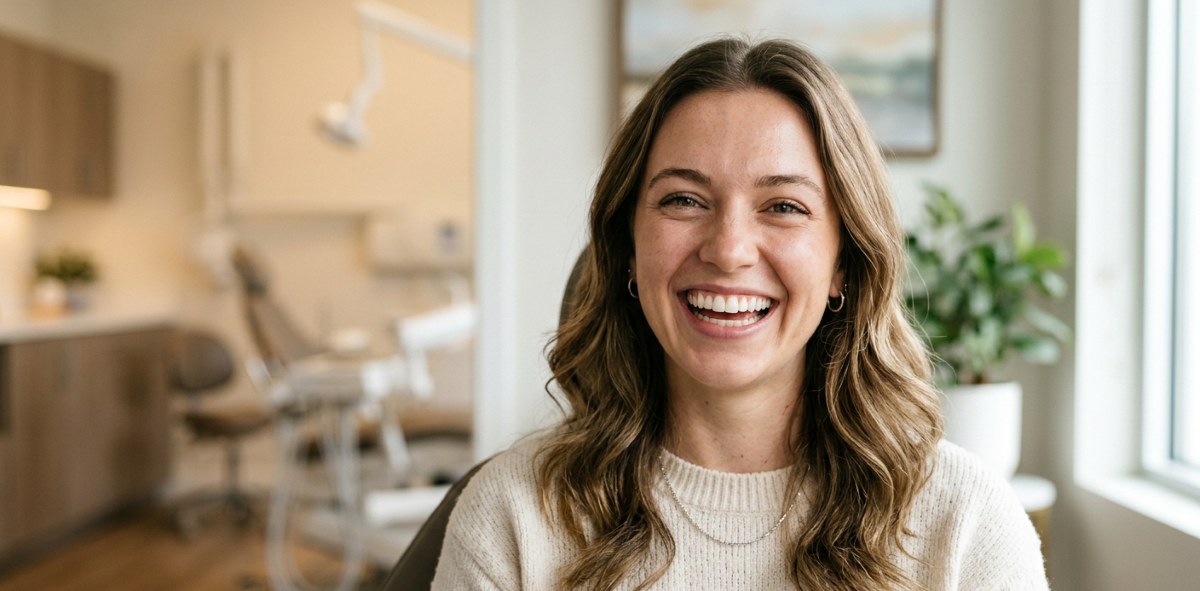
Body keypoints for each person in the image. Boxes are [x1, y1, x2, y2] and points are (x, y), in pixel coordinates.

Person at [432, 38, 1048, 590]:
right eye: (683, 199)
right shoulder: (512, 517)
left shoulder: (964, 523)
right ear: (627, 248)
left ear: (843, 261)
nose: (727, 249)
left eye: (782, 206)